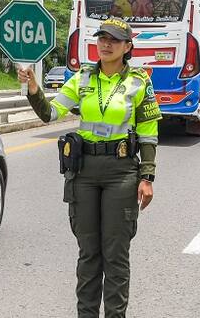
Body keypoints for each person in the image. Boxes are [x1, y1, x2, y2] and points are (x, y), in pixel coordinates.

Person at [18, 17, 160, 318]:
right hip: (83, 172)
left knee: (116, 257)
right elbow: (50, 113)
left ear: (127, 46)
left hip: (121, 173)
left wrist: (146, 177)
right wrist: (33, 87)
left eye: (114, 39)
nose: (106, 44)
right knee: (89, 256)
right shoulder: (82, 77)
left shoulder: (139, 81)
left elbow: (148, 132)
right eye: (102, 38)